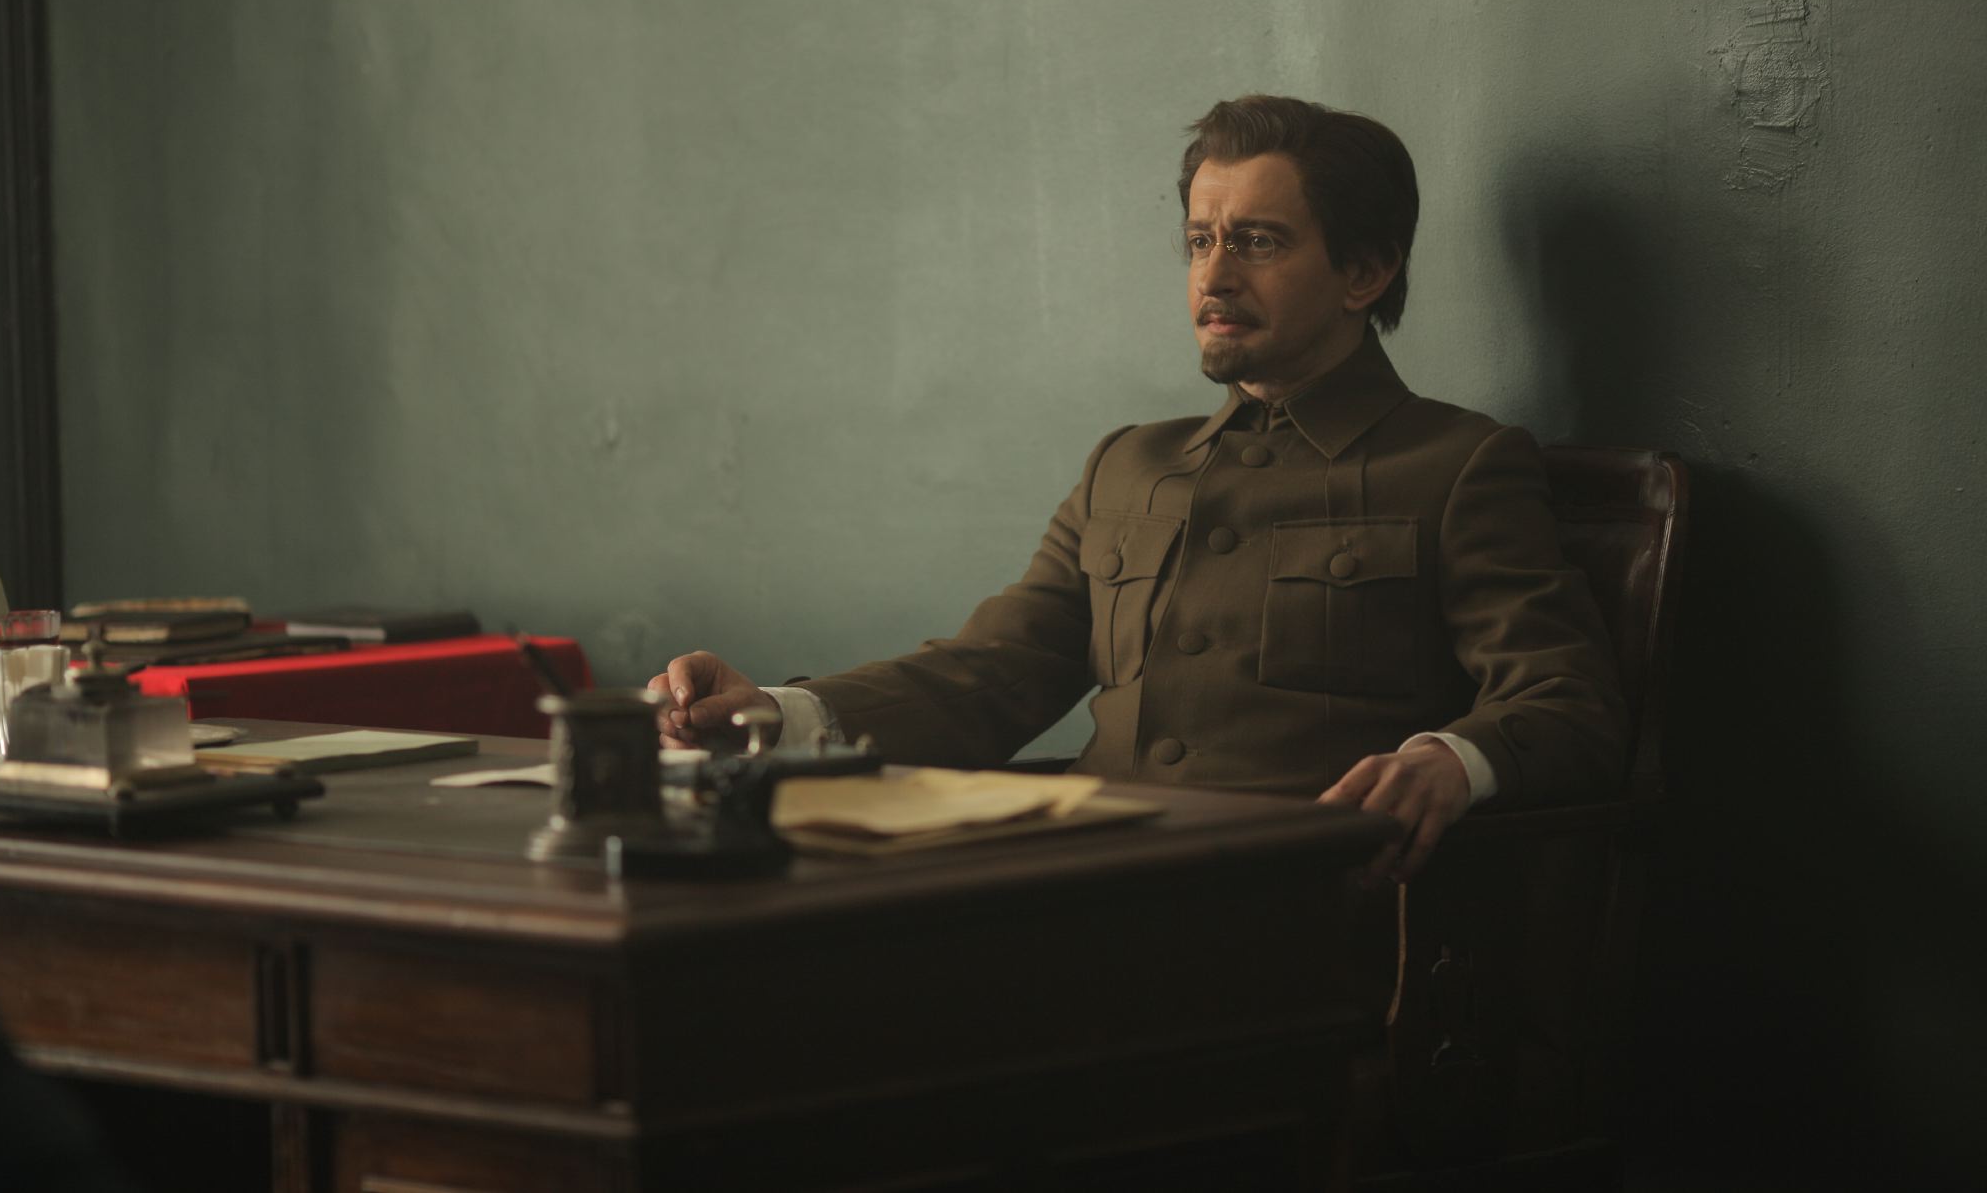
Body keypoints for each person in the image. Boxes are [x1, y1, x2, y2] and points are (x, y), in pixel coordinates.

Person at [653, 95, 1625, 880]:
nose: (1214, 275)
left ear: (1363, 272)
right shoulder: (1128, 465)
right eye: (1200, 239)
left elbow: (1566, 700)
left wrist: (1449, 762)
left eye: (1257, 241)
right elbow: (994, 670)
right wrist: (770, 714)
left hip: (1298, 912)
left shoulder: (1456, 464)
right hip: (1082, 884)